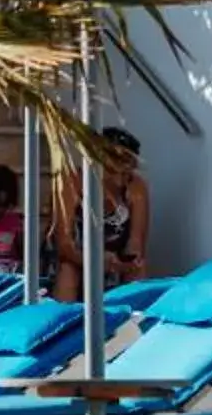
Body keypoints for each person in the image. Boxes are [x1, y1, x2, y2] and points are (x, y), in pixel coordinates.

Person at [51, 126, 150, 302]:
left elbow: (136, 243)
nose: (120, 174)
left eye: (127, 165)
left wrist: (124, 262)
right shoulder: (73, 183)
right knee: (68, 271)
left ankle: (131, 324)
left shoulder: (135, 188)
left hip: (113, 259)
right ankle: (64, 320)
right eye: (114, 164)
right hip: (76, 257)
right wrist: (95, 261)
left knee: (138, 269)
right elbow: (64, 245)